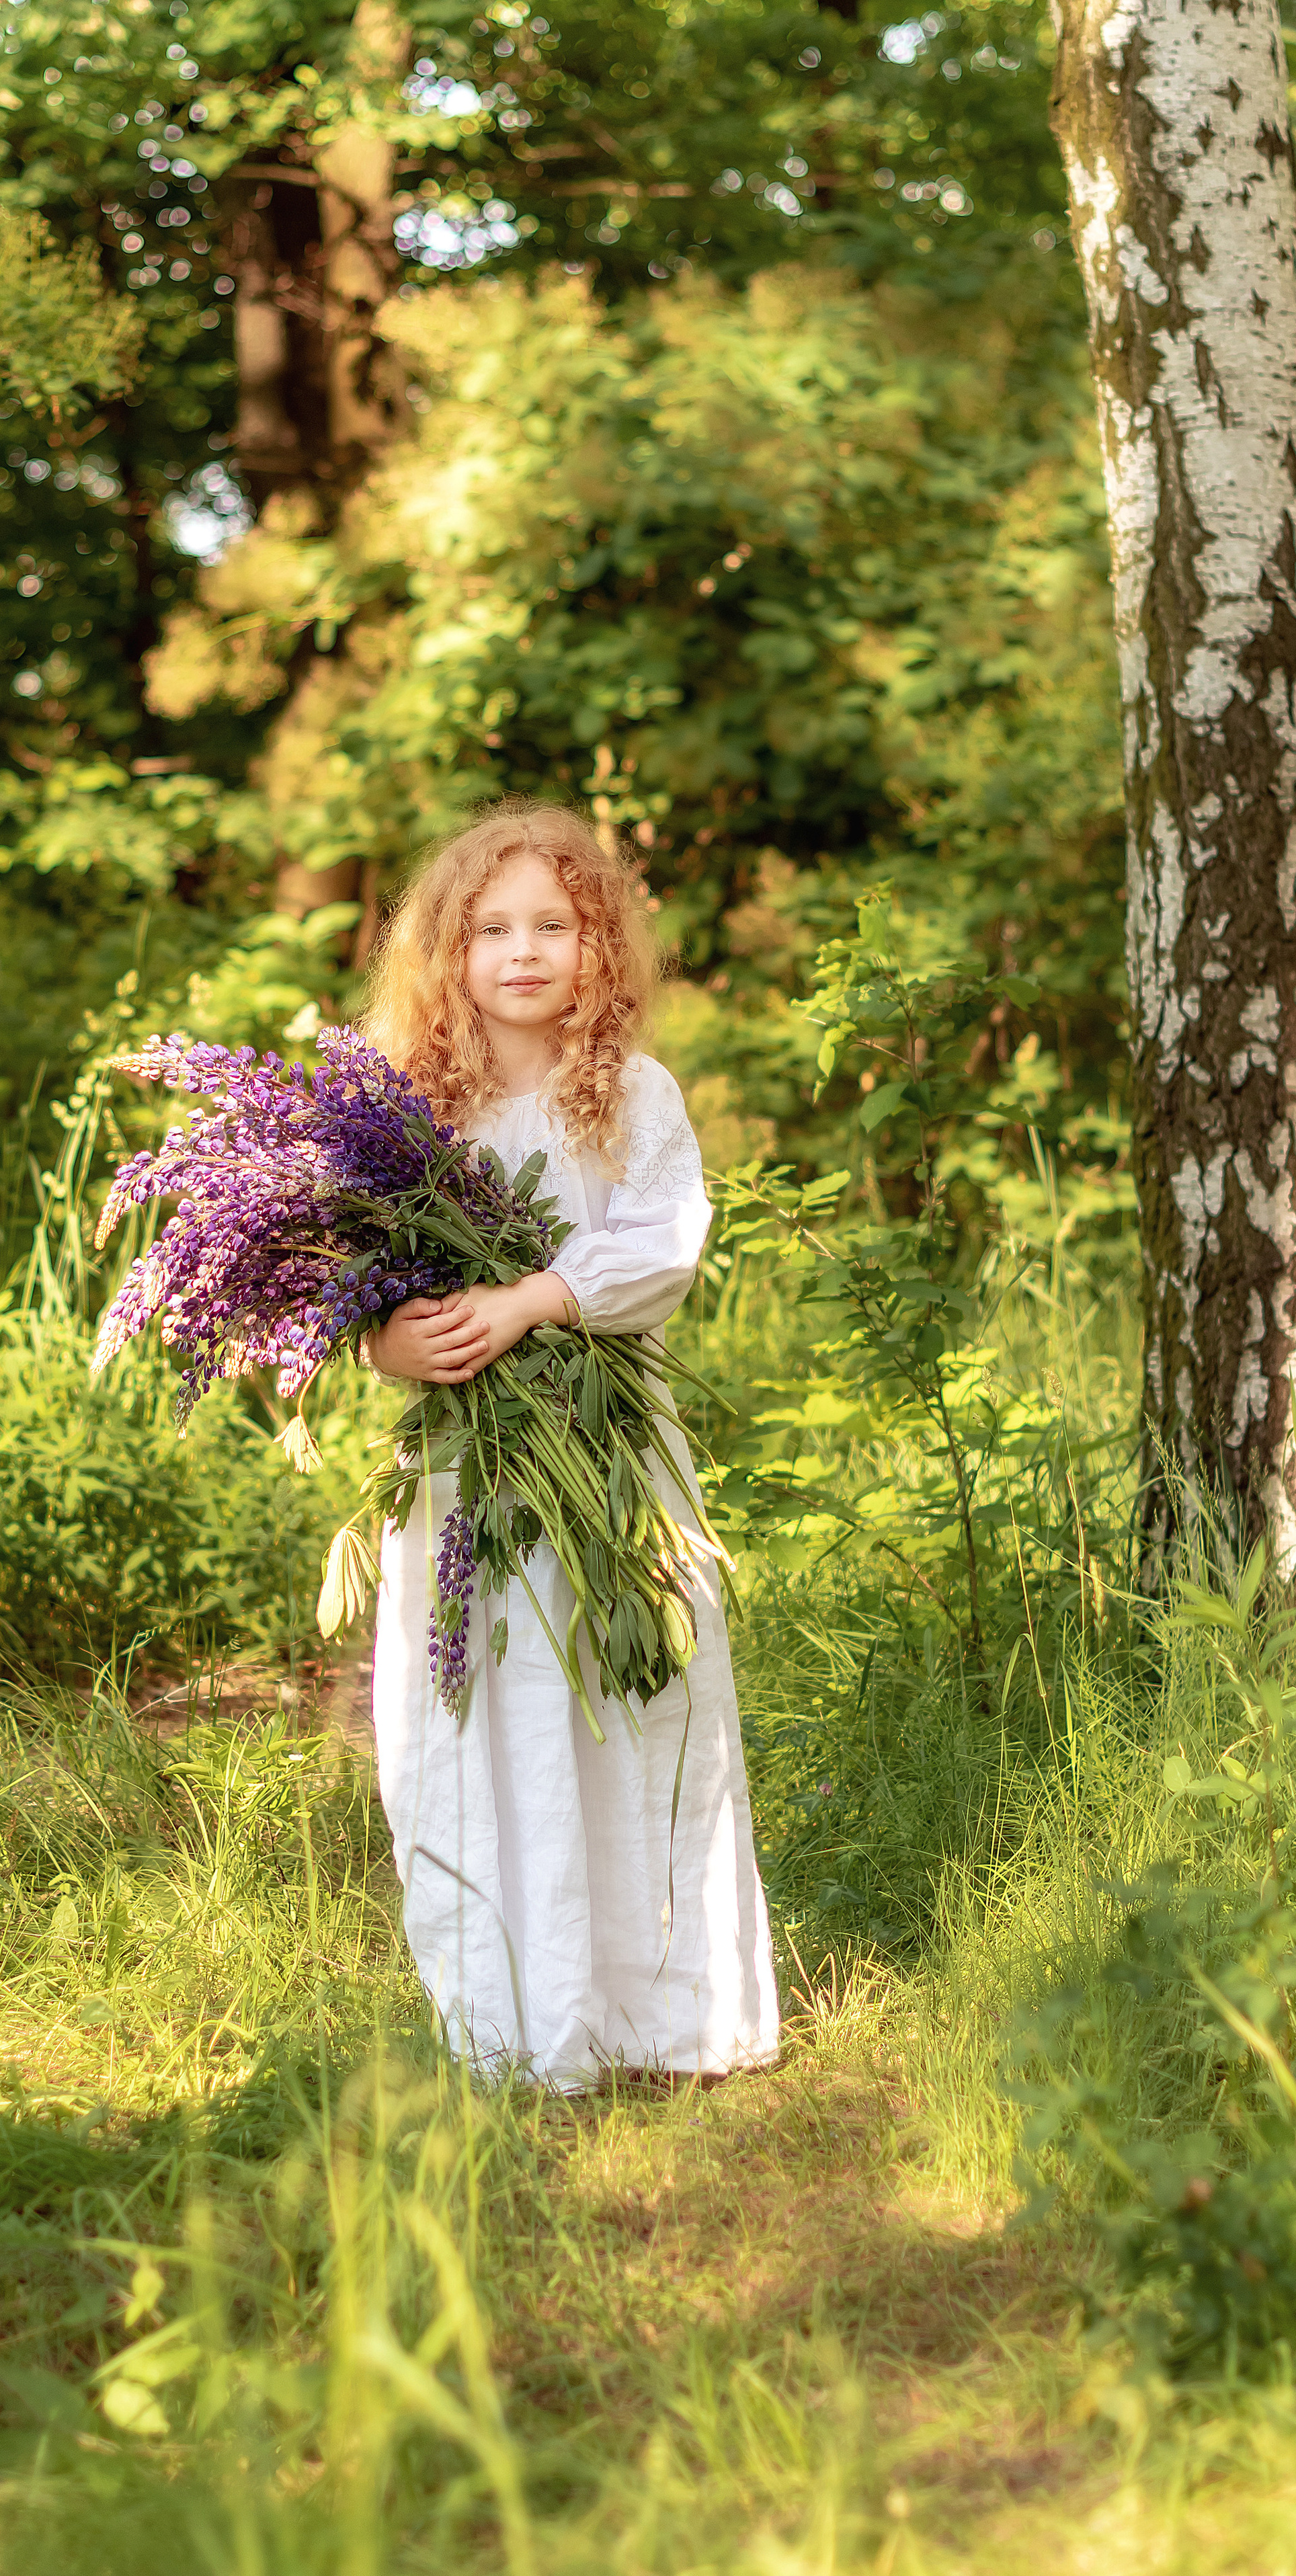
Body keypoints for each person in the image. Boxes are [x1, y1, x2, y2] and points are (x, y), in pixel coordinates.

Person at [360, 799, 780, 2091]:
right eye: (493, 929)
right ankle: (515, 2016)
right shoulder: (403, 1114)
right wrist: (394, 1343)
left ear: (600, 949)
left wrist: (534, 1296)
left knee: (630, 1701)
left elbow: (663, 1243)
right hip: (469, 1467)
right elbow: (355, 1278)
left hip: (608, 1459)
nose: (525, 951)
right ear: (448, 952)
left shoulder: (632, 1096)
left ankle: (661, 2011)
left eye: (557, 925)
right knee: (491, 1708)